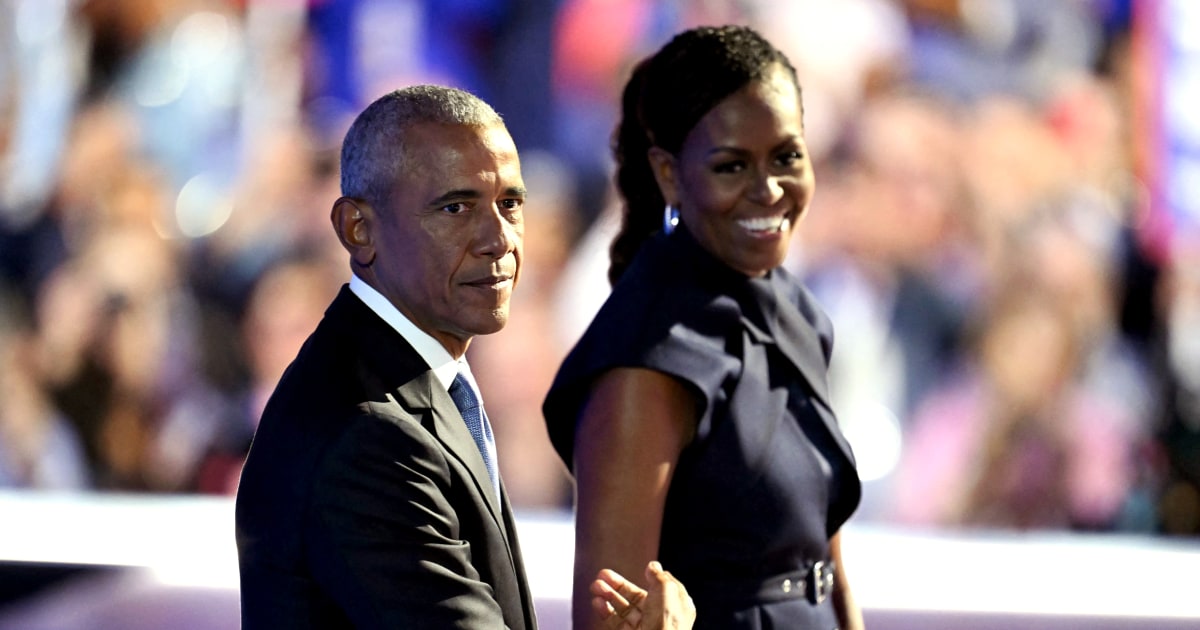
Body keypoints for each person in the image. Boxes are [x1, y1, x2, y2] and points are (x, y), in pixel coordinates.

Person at [235, 85, 694, 628]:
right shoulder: (368, 436)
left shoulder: (414, 380)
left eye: (511, 204)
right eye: (456, 207)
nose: (499, 238)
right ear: (358, 229)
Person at [543, 26, 864, 629]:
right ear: (668, 174)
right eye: (731, 165)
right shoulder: (644, 361)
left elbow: (824, 552)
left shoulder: (795, 308)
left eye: (787, 156)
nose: (769, 190)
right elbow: (611, 619)